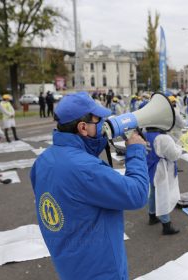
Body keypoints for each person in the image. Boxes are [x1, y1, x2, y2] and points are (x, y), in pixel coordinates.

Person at [30, 92, 149, 280]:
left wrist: (100, 138)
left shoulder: (43, 161)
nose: (103, 123)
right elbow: (138, 194)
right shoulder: (85, 169)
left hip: (69, 265)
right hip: (101, 270)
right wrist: (136, 150)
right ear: (83, 127)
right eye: (98, 120)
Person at [145, 126, 182, 235]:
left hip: (150, 167)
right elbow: (174, 155)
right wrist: (180, 146)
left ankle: (152, 216)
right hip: (161, 170)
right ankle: (166, 225)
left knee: (152, 193)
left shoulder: (145, 134)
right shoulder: (163, 137)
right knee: (163, 195)